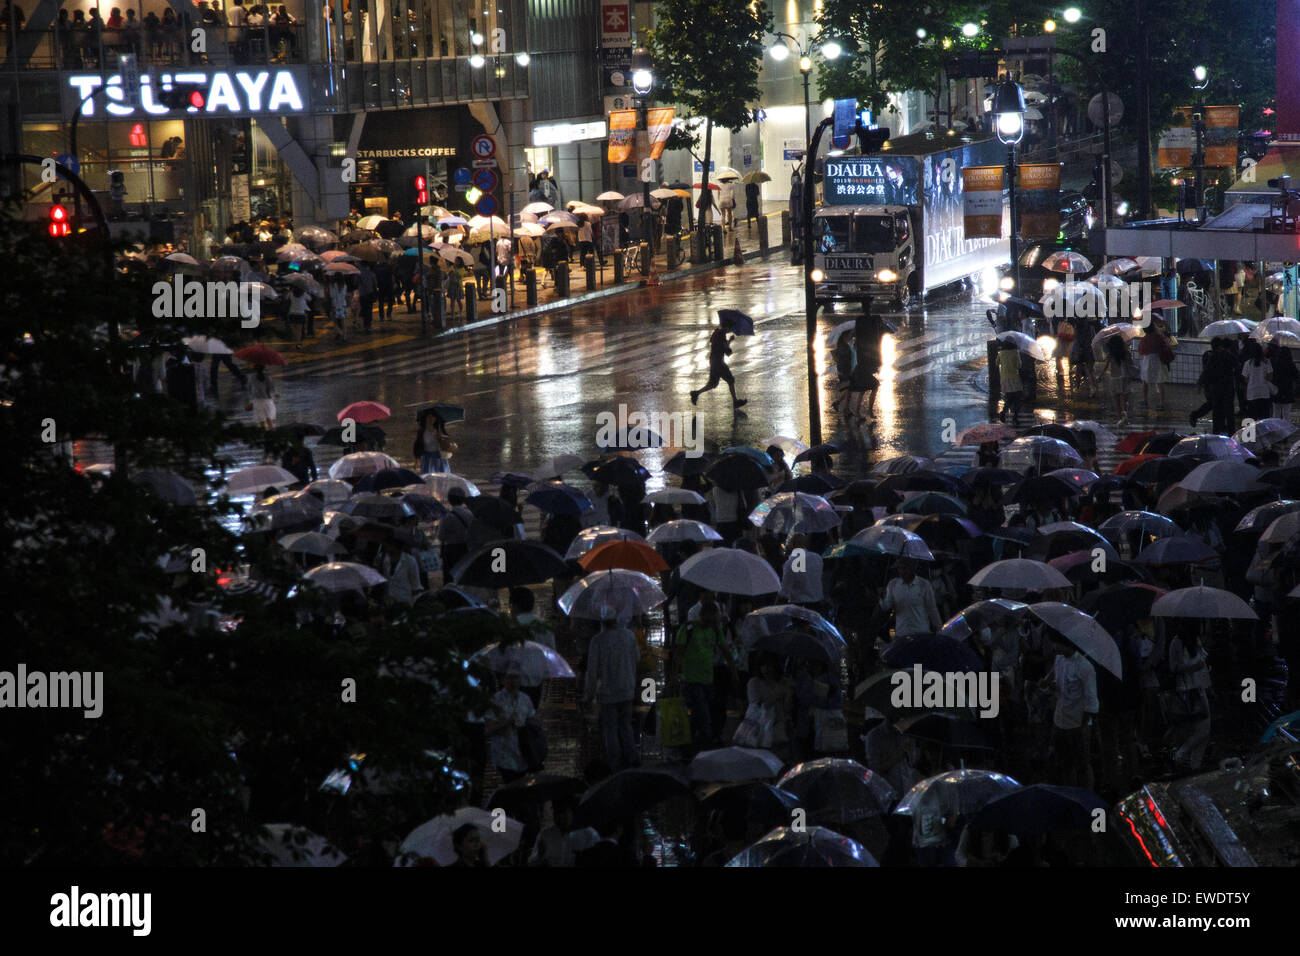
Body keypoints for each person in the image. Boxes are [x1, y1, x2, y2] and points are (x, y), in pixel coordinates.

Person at [584, 606, 640, 770]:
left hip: (607, 692)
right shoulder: (629, 636)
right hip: (627, 687)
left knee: (610, 728)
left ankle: (614, 762)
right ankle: (632, 756)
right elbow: (636, 658)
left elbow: (592, 671)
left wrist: (589, 694)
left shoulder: (597, 641)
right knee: (625, 724)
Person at [1042, 634, 1099, 790]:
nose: (1054, 647)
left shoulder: (1085, 667)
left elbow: (1092, 702)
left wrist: (1083, 726)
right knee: (1065, 763)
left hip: (1077, 723)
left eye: (1057, 644)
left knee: (1082, 764)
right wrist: (1050, 686)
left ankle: (1087, 796)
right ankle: (1071, 792)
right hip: (1060, 720)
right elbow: (1057, 683)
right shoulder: (1059, 660)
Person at [675, 599, 728, 748]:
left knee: (699, 714)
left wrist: (733, 671)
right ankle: (706, 743)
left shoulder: (715, 631)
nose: (712, 623)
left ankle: (688, 744)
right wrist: (674, 677)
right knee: (703, 715)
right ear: (702, 615)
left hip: (708, 679)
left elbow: (725, 650)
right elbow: (678, 654)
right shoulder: (688, 629)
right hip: (691, 680)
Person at [1168, 629, 1212, 770]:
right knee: (1202, 729)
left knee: (1202, 729)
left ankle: (1194, 765)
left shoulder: (1195, 641)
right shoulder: (1177, 642)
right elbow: (1174, 667)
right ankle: (1181, 756)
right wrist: (1193, 667)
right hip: (1189, 690)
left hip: (1199, 689)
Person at [485, 664, 535, 783]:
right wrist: (506, 723)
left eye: (516, 678)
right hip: (505, 755)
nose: (513, 681)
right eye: (510, 677)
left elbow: (532, 722)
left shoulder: (525, 699)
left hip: (523, 754)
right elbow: (488, 730)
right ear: (503, 680)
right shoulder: (496, 700)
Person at [689, 319, 747, 409]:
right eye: (730, 328)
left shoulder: (716, 332)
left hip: (713, 361)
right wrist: (730, 342)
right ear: (727, 327)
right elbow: (727, 352)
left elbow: (717, 344)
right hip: (719, 363)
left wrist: (728, 341)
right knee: (730, 380)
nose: (730, 330)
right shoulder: (722, 334)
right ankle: (735, 401)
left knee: (713, 384)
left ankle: (696, 393)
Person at [880, 558, 942, 640]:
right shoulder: (893, 584)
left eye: (905, 568)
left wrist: (939, 629)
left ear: (912, 568)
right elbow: (886, 607)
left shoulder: (924, 584)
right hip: (901, 634)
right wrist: (882, 598)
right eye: (899, 568)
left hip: (921, 633)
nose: (902, 572)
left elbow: (932, 609)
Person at [1137, 319, 1173, 411]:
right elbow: (1164, 346)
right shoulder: (1158, 337)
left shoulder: (1145, 339)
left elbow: (1141, 350)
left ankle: (1145, 400)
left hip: (1147, 361)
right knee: (1160, 381)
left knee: (1145, 381)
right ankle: (1161, 403)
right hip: (1158, 360)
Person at [1101, 333, 1137, 426]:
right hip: (1125, 377)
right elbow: (1131, 364)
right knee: (1124, 400)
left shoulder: (1111, 354)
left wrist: (1100, 376)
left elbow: (1106, 366)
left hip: (1114, 378)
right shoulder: (1126, 353)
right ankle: (1125, 415)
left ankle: (1120, 418)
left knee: (1116, 401)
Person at [437, 488, 474, 574]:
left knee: (450, 575)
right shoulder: (470, 514)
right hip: (466, 548)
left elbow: (441, 536)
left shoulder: (446, 516)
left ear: (449, 500)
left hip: (450, 550)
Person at [1241, 339, 1273, 423]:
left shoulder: (1247, 363)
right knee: (1264, 417)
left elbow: (1245, 379)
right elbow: (1270, 377)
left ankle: (1254, 434)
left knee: (1252, 417)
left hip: (1252, 393)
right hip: (1264, 392)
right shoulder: (1266, 362)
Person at [996, 340, 1023, 424]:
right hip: (1014, 378)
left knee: (1009, 397)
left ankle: (1003, 413)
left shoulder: (1001, 353)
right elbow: (1019, 365)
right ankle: (1015, 417)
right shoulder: (1015, 352)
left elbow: (997, 363)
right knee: (1017, 398)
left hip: (1004, 379)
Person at [1271, 342, 1298, 421]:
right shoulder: (1290, 364)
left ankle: (1276, 428)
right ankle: (1286, 429)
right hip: (1288, 389)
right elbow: (1296, 376)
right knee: (1286, 412)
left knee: (1276, 412)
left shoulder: (1275, 363)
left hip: (1276, 389)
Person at [248, 364, 277, 429]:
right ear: (263, 368)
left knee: (261, 420)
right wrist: (275, 394)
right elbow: (271, 388)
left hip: (257, 401)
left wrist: (250, 401)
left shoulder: (252, 377)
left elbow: (249, 389)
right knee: (269, 418)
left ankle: (264, 434)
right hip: (267, 400)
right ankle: (272, 433)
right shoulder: (267, 377)